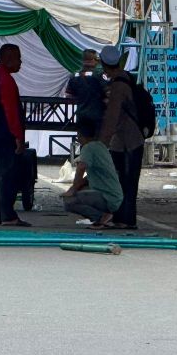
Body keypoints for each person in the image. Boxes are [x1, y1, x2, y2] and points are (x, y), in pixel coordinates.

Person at [0, 44, 30, 227]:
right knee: (7, 175)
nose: (21, 62)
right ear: (8, 58)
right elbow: (11, 111)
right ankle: (8, 215)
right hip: (4, 133)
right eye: (18, 58)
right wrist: (18, 136)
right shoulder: (6, 80)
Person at [98, 45, 144, 230]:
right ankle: (127, 219)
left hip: (125, 143)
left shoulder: (118, 86)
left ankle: (122, 219)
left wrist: (102, 143)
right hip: (135, 139)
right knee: (130, 182)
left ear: (103, 64)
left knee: (121, 182)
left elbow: (112, 117)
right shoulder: (128, 80)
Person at [62, 119, 123, 228]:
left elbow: (81, 168)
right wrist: (79, 185)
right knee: (81, 191)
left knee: (69, 202)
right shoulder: (100, 146)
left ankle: (101, 217)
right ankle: (104, 215)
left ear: (80, 135)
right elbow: (89, 176)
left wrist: (73, 189)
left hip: (107, 197)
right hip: (115, 196)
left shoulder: (88, 148)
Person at [65, 48, 105, 138]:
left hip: (81, 116)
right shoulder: (100, 75)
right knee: (98, 145)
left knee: (84, 143)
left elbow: (68, 96)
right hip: (97, 117)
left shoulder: (74, 76)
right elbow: (108, 94)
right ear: (93, 60)